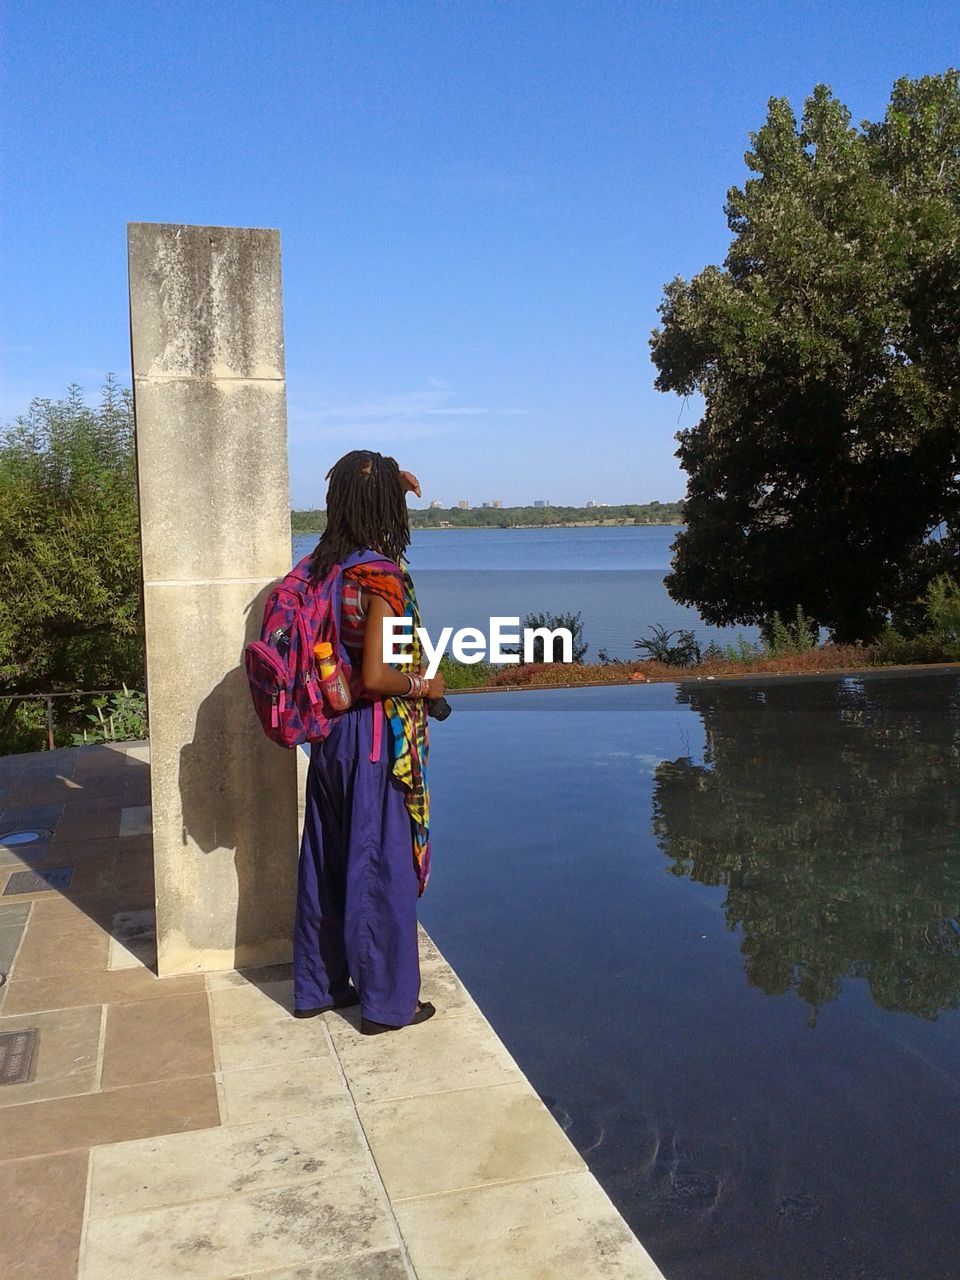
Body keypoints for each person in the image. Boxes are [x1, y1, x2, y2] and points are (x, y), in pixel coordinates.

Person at [292, 450, 445, 1034]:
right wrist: (425, 685)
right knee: (381, 867)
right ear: (383, 508)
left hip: (329, 736)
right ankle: (387, 1004)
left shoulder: (318, 571)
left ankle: (319, 986)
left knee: (327, 859)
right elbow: (379, 676)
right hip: (375, 735)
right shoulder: (380, 576)